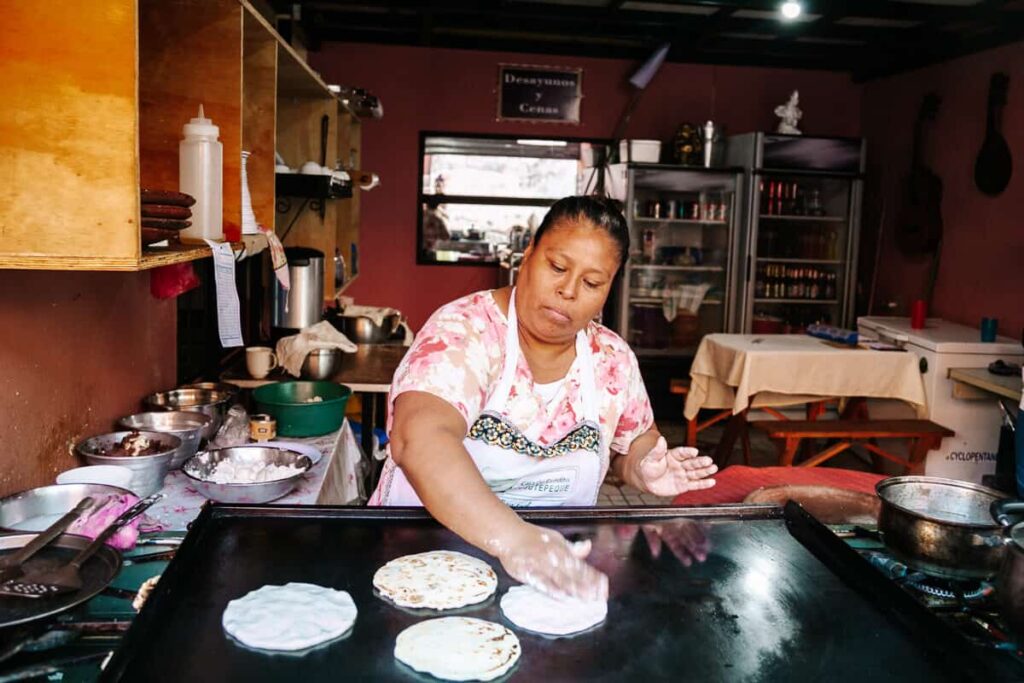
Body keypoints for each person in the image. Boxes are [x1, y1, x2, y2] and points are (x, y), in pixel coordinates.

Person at [370, 196, 717, 601]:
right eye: (557, 267)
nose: (568, 291)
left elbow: (635, 440)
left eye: (592, 283)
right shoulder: (465, 331)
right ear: (528, 254)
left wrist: (645, 466)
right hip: (418, 565)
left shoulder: (611, 358)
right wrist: (515, 540)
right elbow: (420, 437)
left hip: (550, 573)